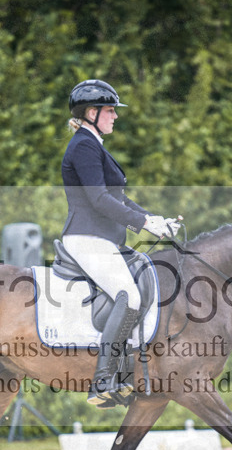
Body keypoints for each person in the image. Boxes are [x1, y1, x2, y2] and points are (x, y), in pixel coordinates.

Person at [61, 79, 177, 406]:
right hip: (87, 237)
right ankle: (102, 382)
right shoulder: (84, 146)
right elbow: (98, 199)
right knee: (130, 296)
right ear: (92, 112)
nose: (115, 116)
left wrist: (155, 220)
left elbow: (118, 198)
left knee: (136, 290)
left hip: (104, 240)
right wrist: (141, 223)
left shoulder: (94, 144)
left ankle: (123, 374)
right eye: (110, 110)